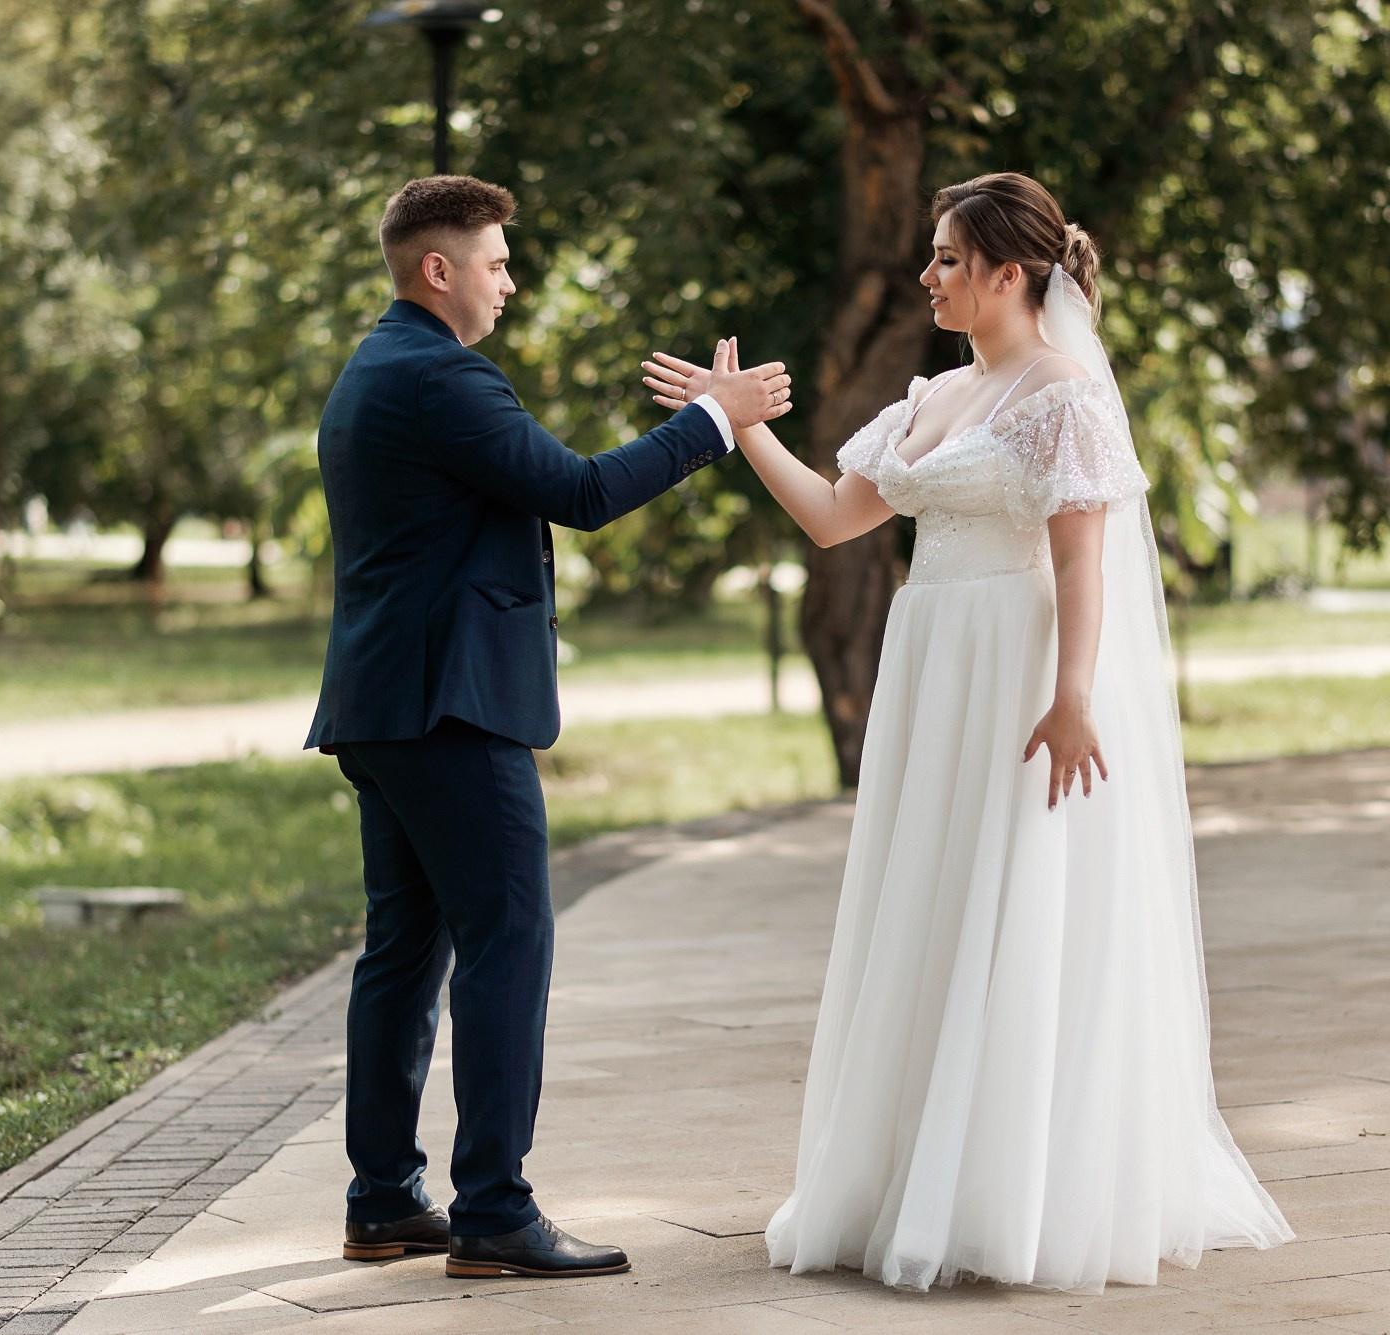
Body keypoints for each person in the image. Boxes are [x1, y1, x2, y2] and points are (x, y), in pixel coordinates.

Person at [643, 171, 1292, 1293]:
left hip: (1016, 672)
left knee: (1013, 901)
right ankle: (903, 1170)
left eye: (947, 259)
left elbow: (1083, 558)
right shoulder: (930, 398)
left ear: (1008, 272)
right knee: (929, 898)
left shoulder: (1063, 396)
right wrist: (739, 426)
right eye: (931, 258)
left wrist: (1074, 692)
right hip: (929, 673)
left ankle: (1006, 1192)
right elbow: (833, 519)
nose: (927, 277)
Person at [308, 174, 792, 1280]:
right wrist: (716, 421)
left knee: (402, 952)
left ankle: (382, 1198)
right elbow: (576, 491)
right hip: (450, 708)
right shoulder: (441, 377)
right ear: (440, 270)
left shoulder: (377, 367)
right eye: (495, 262)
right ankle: (492, 1212)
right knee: (506, 944)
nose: (509, 282)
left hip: (385, 708)